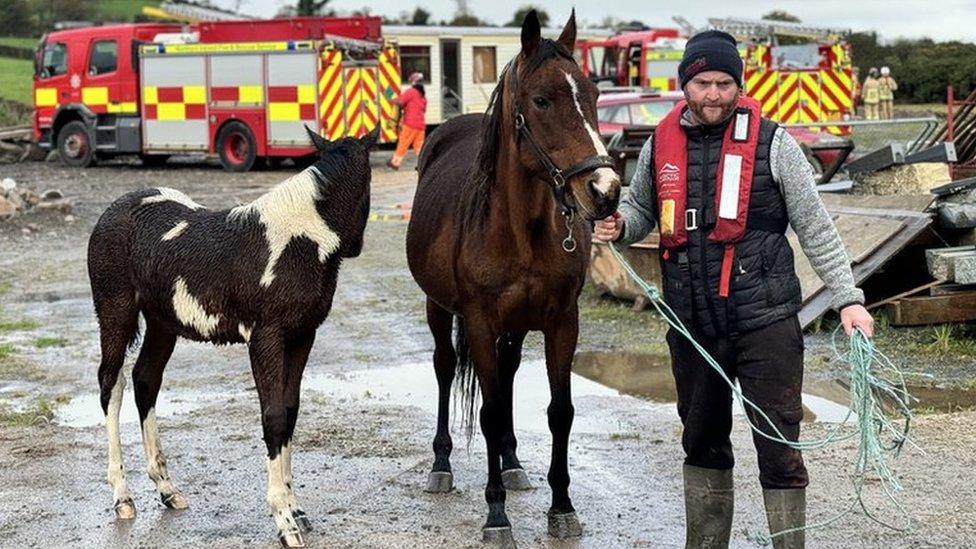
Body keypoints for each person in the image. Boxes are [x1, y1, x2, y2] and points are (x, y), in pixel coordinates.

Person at [593, 30, 875, 549]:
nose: (714, 95)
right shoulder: (660, 142)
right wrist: (620, 226)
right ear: (685, 84)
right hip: (692, 324)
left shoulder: (774, 142)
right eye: (703, 83)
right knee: (701, 443)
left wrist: (849, 298)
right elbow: (639, 210)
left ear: (738, 85)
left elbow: (815, 226)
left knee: (779, 447)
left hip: (764, 321)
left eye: (724, 83)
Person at [388, 72, 428, 170]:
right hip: (421, 126)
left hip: (410, 124)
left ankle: (395, 163)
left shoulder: (411, 92)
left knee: (403, 143)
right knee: (419, 147)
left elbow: (399, 102)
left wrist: (388, 94)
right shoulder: (423, 97)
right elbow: (423, 109)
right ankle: (423, 164)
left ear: (414, 82)